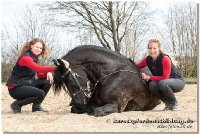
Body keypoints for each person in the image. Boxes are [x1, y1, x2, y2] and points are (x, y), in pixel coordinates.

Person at [6, 38, 56, 113]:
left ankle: (36, 107)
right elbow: (38, 68)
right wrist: (55, 67)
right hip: (16, 88)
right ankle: (17, 104)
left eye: (40, 48)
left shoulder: (36, 59)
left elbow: (40, 74)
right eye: (37, 47)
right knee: (40, 94)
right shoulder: (26, 58)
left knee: (47, 81)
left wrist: (48, 73)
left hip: (27, 84)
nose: (38, 49)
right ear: (31, 46)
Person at [136, 39, 185, 111]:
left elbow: (165, 77)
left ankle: (174, 104)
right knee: (152, 85)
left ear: (159, 49)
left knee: (163, 83)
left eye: (154, 48)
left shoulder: (165, 58)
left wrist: (148, 77)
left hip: (177, 81)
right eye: (150, 48)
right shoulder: (147, 59)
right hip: (163, 81)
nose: (152, 50)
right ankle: (168, 104)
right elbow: (136, 66)